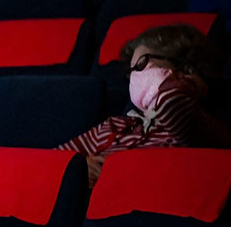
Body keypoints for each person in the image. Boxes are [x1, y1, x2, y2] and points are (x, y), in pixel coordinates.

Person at [58, 25, 230, 185]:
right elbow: (52, 162)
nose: (134, 77)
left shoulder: (202, 125)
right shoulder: (116, 126)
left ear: (185, 68)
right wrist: (81, 166)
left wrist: (188, 83)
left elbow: (172, 103)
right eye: (131, 71)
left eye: (141, 65)